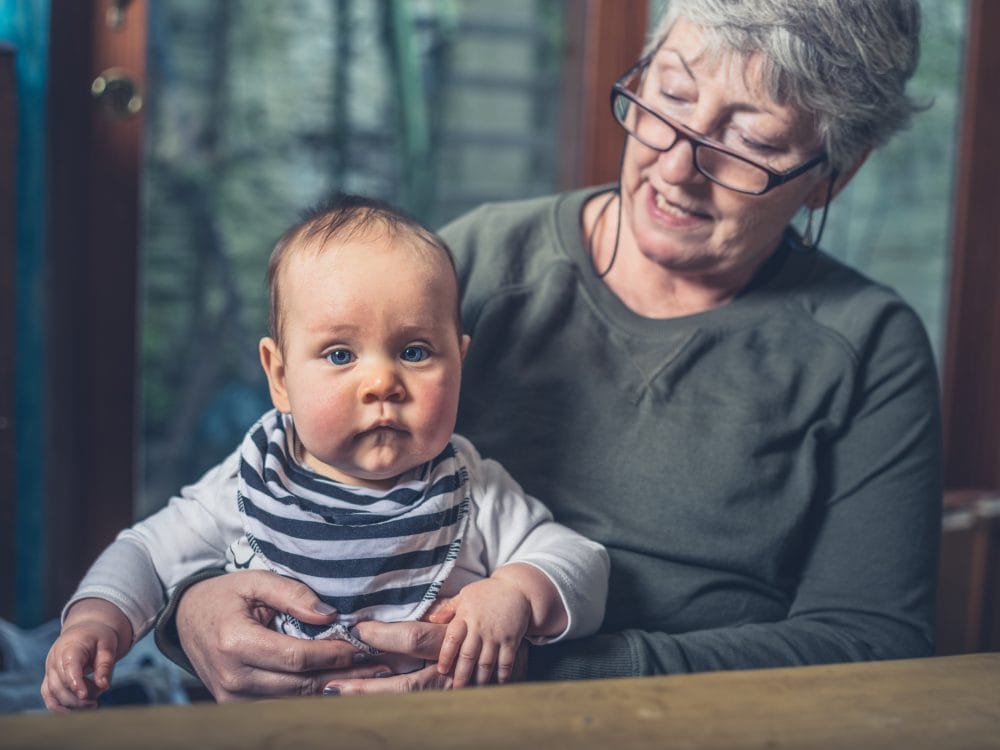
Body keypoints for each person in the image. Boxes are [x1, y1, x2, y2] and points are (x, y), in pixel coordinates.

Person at [156, 0, 942, 700]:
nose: (674, 169)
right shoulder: (479, 263)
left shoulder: (867, 345)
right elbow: (271, 482)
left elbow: (871, 643)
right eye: (669, 97)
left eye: (747, 142)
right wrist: (190, 610)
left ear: (832, 174)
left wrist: (535, 672)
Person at [40, 195, 609, 711]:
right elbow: (145, 553)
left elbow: (581, 563)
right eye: (340, 355)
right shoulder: (255, 481)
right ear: (280, 377)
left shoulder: (471, 489)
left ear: (459, 361)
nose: (382, 383)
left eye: (415, 352)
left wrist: (516, 592)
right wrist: (95, 621)